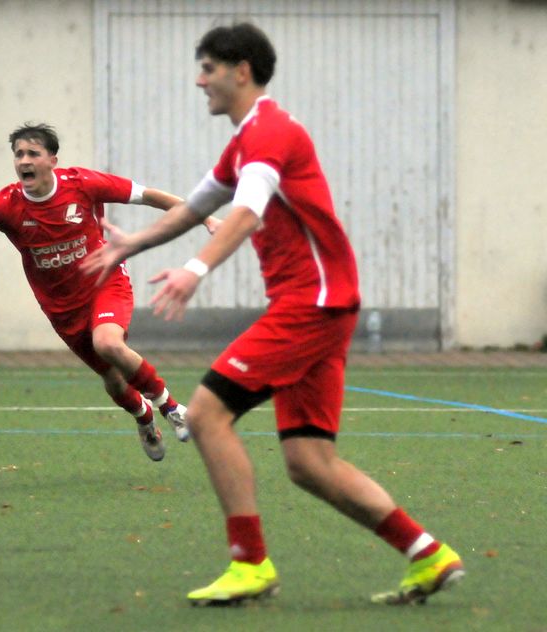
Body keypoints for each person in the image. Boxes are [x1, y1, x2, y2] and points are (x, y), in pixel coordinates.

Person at [81, 23, 464, 605]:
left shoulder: (269, 133)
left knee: (206, 414)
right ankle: (428, 554)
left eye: (207, 68)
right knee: (309, 461)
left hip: (312, 303)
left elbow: (247, 212)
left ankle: (250, 562)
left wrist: (195, 270)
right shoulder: (244, 141)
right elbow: (197, 207)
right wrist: (131, 243)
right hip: (322, 304)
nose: (198, 79)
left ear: (241, 71)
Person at [0, 123, 215, 460]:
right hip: (62, 308)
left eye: (32, 153)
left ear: (52, 159)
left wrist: (206, 219)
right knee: (112, 380)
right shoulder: (7, 205)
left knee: (109, 343)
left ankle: (171, 407)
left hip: (105, 283)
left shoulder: (83, 184)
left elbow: (149, 195)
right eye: (18, 154)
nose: (23, 160)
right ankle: (144, 417)